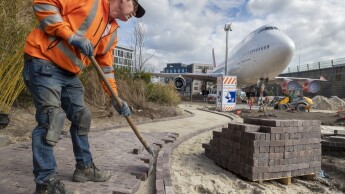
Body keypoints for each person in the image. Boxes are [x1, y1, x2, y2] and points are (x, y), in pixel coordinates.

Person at [22, 0, 145, 193]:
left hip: (69, 74)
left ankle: (84, 168)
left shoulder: (112, 33)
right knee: (51, 119)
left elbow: (106, 68)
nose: (135, 14)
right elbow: (44, 3)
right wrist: (71, 37)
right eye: (136, 8)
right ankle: (46, 183)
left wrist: (116, 98)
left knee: (82, 117)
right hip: (44, 61)